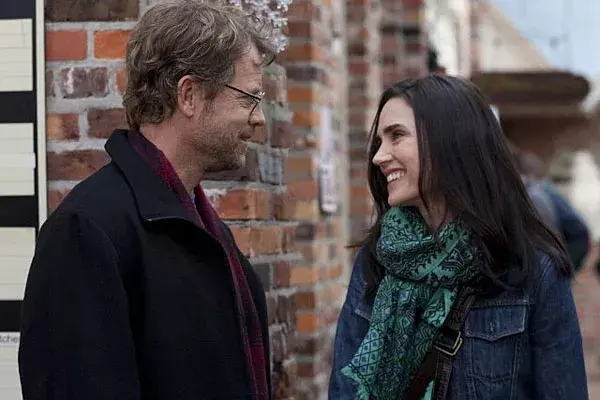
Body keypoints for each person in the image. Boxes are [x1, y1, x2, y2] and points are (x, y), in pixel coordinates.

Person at [19, 2, 275, 399]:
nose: (259, 118)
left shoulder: (201, 228)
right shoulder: (87, 230)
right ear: (189, 95)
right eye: (248, 98)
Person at [329, 75, 587, 399]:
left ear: (450, 142)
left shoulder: (534, 270)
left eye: (397, 136)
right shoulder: (377, 260)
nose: (379, 156)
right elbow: (344, 390)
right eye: (380, 141)